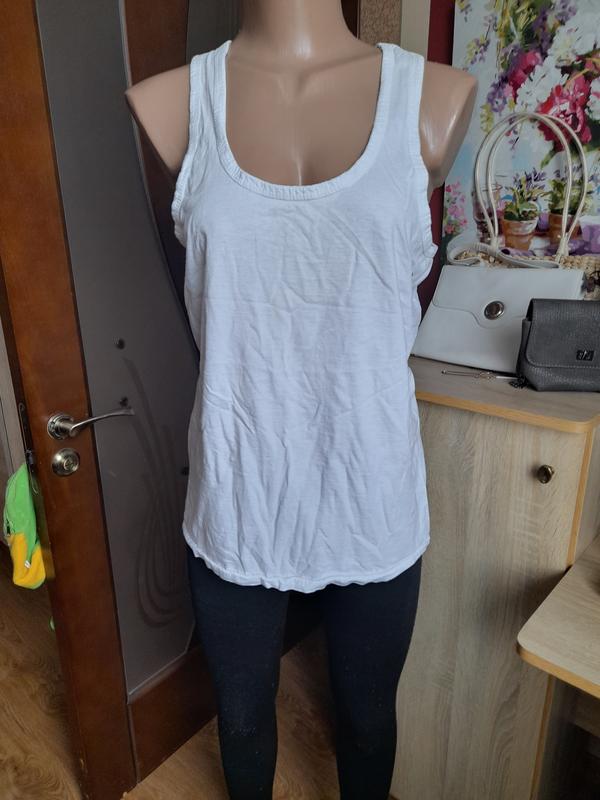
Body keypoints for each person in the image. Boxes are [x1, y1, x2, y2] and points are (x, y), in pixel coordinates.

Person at [125, 2, 476, 796]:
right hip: (238, 488)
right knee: (244, 720)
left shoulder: (432, 96)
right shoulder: (175, 101)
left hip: (370, 489)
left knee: (368, 720)